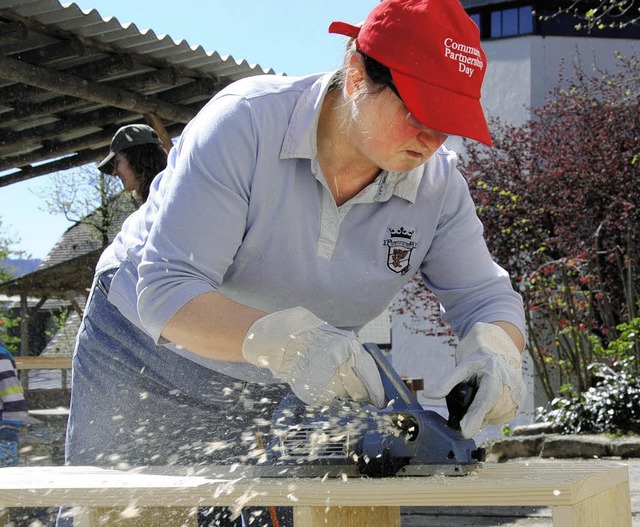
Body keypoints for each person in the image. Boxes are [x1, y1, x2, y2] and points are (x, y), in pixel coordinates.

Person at [62, 0, 526, 525]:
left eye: (448, 121)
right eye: (419, 111)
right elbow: (168, 290)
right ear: (356, 73)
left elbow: (486, 297)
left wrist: (498, 353)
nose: (433, 137)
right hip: (143, 353)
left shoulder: (438, 188)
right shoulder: (246, 123)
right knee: (121, 516)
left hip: (279, 377)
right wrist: (291, 343)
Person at [97, 123, 168, 204]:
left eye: (117, 162)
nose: (114, 173)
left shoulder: (173, 195)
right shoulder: (157, 202)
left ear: (138, 159)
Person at [0, 339, 28, 467]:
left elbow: (12, 393)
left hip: (4, 427)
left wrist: (11, 424)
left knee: (5, 476)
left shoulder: (1, 357)